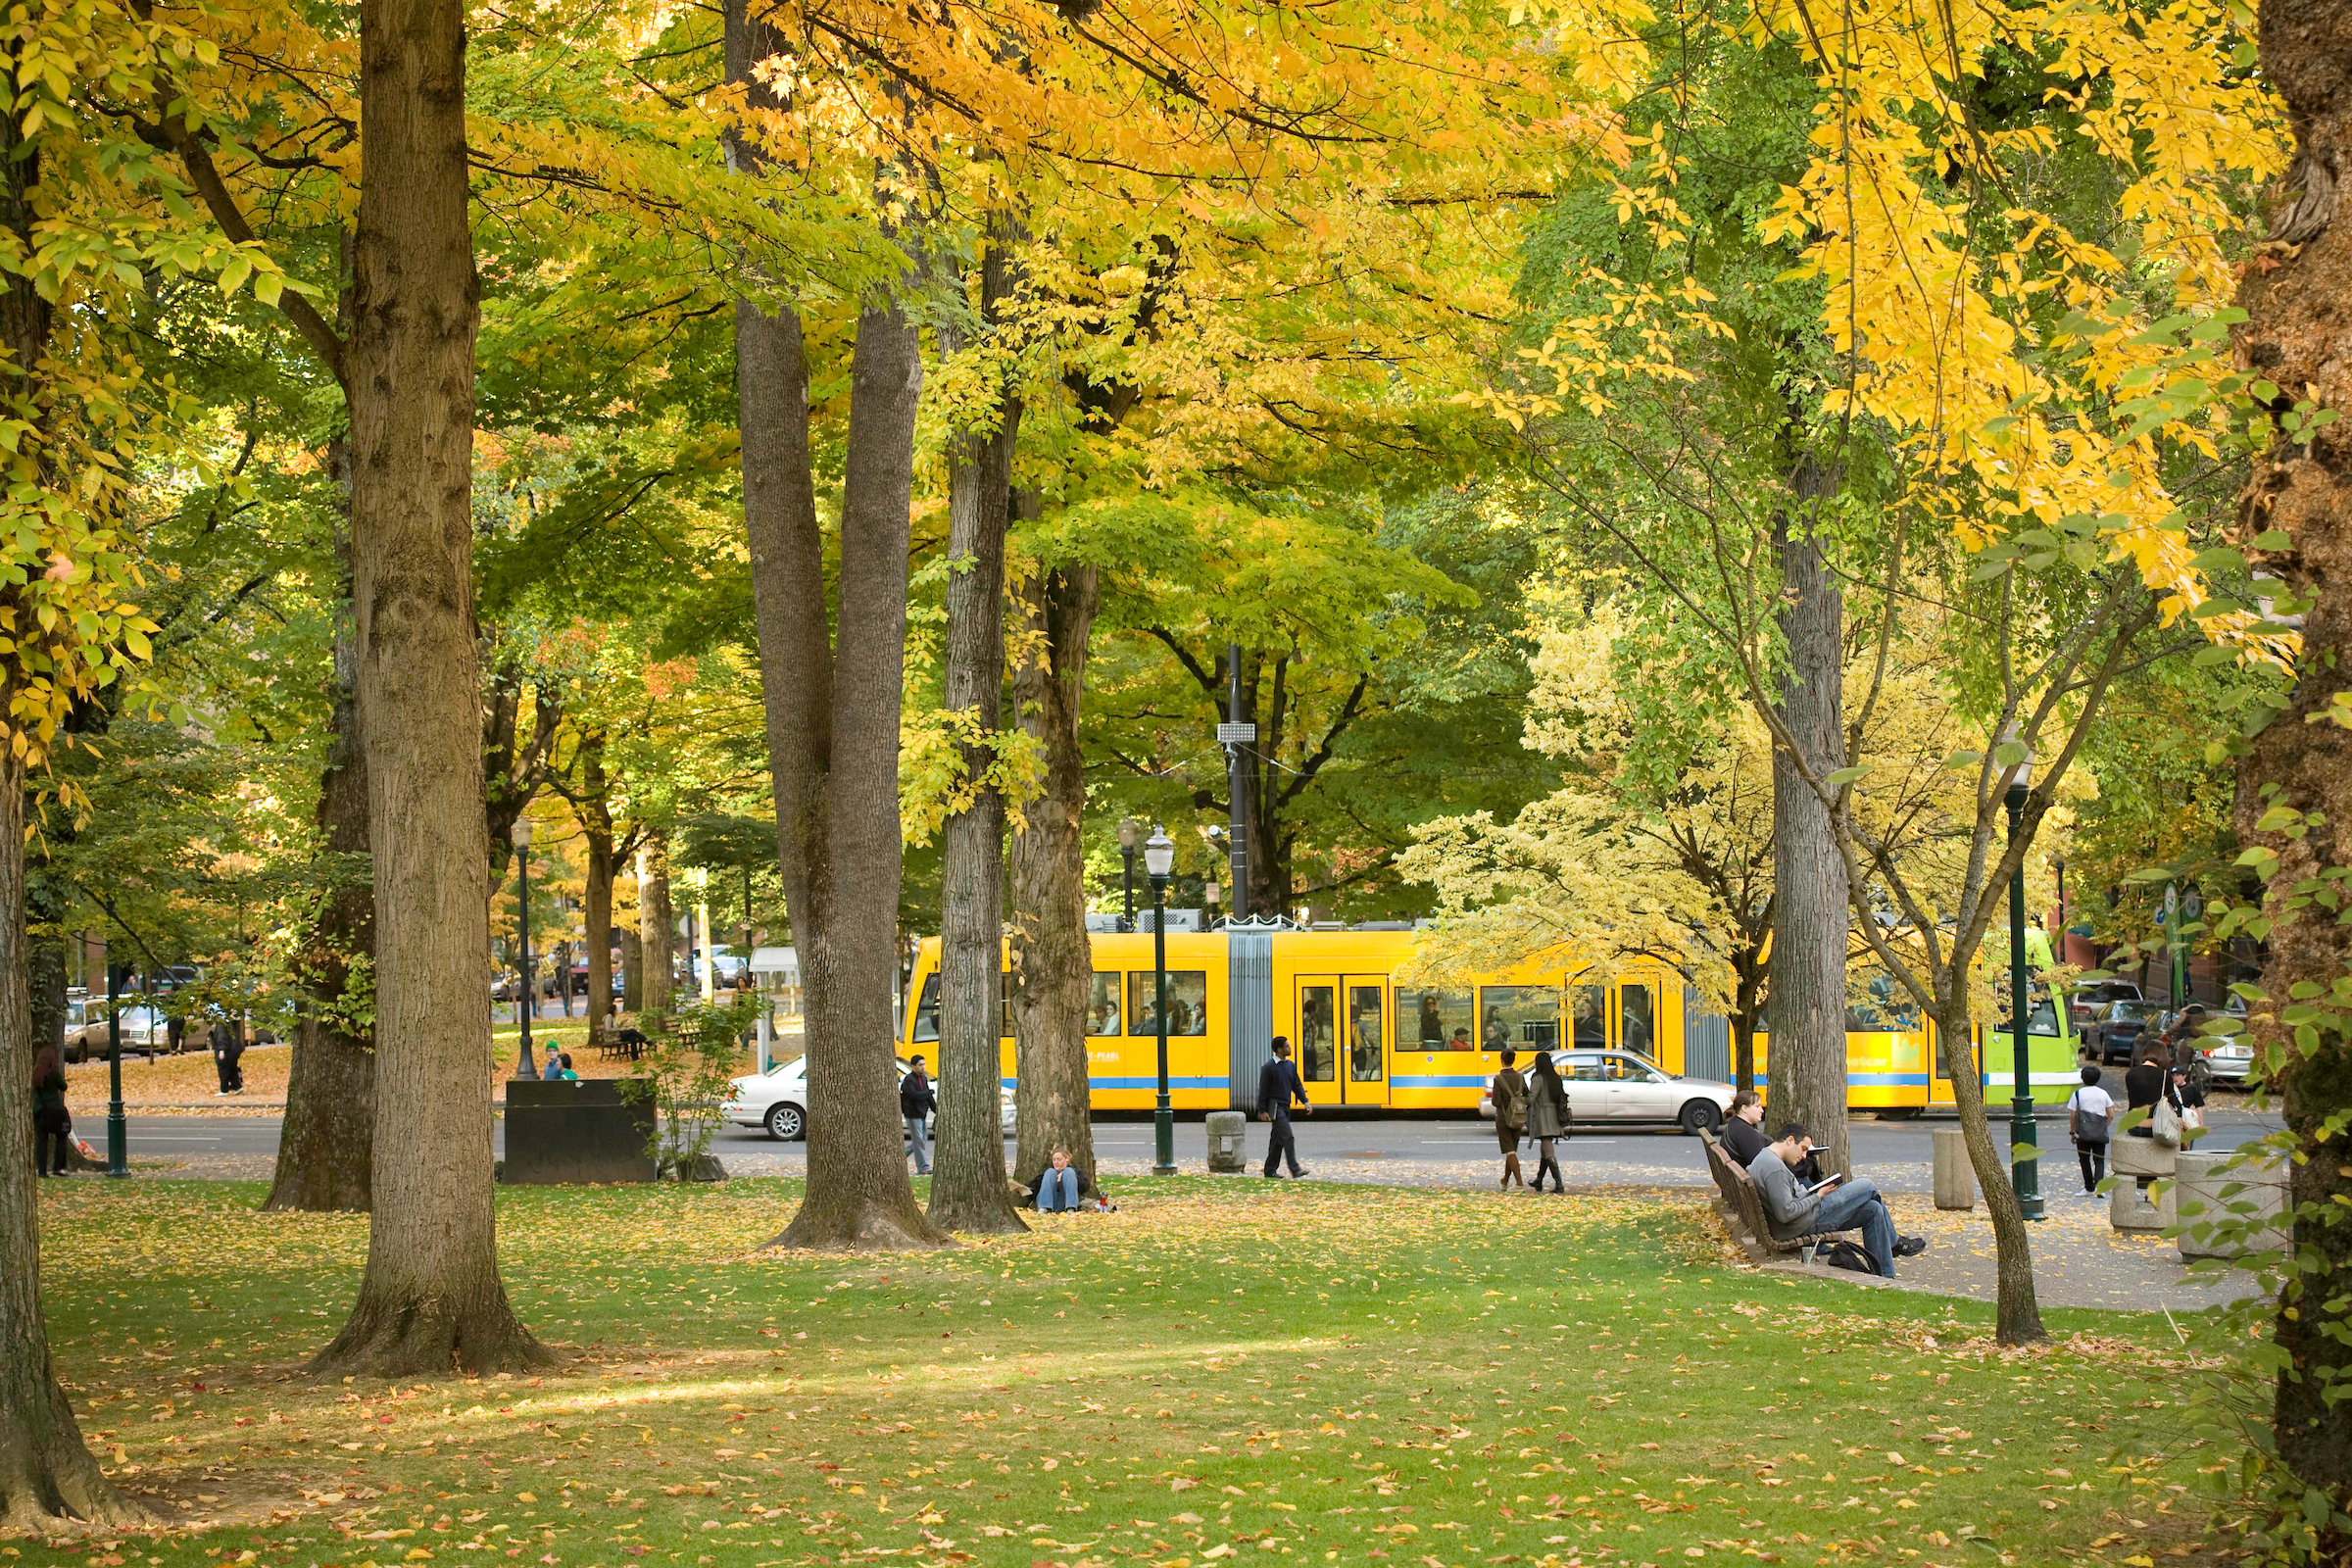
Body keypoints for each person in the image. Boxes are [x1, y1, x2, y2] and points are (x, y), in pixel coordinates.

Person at [1745, 1122, 1902, 1278]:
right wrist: (1817, 1196)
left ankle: (1886, 1275)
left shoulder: (1765, 1158)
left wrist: (1812, 1193)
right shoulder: (1774, 1168)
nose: (1804, 1156)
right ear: (1790, 1141)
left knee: (1873, 1209)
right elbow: (1785, 1213)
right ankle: (1894, 1241)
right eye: (1804, 1149)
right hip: (1803, 1222)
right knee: (1868, 1186)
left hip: (1802, 1218)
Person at [1255, 1036, 1311, 1179]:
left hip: (1286, 1106)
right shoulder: (1268, 1068)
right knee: (1288, 1136)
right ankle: (1295, 1169)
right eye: (1287, 1046)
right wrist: (1262, 1110)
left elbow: (1296, 1085)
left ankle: (1270, 1170)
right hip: (1275, 1106)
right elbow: (1263, 1090)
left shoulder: (1290, 1065)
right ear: (1279, 1049)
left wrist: (1305, 1101)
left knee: (1278, 1140)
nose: (1289, 1048)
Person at [1524, 1051, 1569, 1195]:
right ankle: (1539, 1180)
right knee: (1544, 1149)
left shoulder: (1538, 1078)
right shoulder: (1554, 1077)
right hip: (1553, 1114)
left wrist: (1519, 1098)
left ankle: (1559, 1183)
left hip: (1542, 1114)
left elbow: (1531, 1098)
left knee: (1547, 1148)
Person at [2065, 1064, 2113, 1195]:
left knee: (2084, 1159)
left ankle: (2088, 1187)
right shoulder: (2103, 1094)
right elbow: (2111, 1114)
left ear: (2082, 1078)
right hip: (2099, 1131)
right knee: (2099, 1159)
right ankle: (2099, 1187)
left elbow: (2073, 1115)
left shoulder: (2077, 1094)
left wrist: (2072, 1131)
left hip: (2083, 1132)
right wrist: (2104, 1125)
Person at [1491, 1049, 1529, 1191]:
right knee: (1511, 1150)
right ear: (1514, 1060)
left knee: (1510, 1151)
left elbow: (1495, 1101)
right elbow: (1526, 1093)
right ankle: (1505, 1181)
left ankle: (1519, 1184)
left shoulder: (1498, 1079)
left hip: (1504, 1118)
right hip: (1518, 1116)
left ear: (1501, 1060)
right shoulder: (1520, 1077)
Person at [30, 1042, 70, 1177]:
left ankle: (42, 1170)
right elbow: (63, 1086)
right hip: (55, 1110)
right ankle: (57, 1167)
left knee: (42, 1141)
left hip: (40, 1111)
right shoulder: (53, 1073)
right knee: (61, 1136)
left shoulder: (35, 1073)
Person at [2123, 1043, 2172, 1139]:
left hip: (2133, 1126)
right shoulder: (2165, 1076)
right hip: (2154, 1126)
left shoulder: (2130, 1074)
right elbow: (2173, 1104)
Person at [901, 1055, 936, 1176]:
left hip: (921, 1113)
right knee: (919, 1141)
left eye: (923, 1064)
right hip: (912, 1114)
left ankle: (899, 1157)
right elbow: (914, 1095)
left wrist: (936, 1110)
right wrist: (929, 1092)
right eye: (920, 1065)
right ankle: (923, 1167)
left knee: (921, 1140)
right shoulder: (909, 1080)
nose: (922, 1067)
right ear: (913, 1066)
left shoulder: (924, 1079)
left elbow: (928, 1097)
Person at [1030, 1149, 1095, 1212]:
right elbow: (1033, 1188)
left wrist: (1070, 1178)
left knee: (1068, 1171)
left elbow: (1085, 1187)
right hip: (1050, 1201)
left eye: (1059, 1159)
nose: (1056, 1162)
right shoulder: (1048, 1173)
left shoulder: (1074, 1172)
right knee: (1050, 1172)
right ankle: (1043, 1209)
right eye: (1054, 1160)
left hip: (1064, 1202)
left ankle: (1071, 1209)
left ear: (1067, 1159)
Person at [1719, 1090, 1769, 1164]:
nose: (1761, 1110)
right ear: (1745, 1108)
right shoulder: (1746, 1133)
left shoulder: (1734, 1125)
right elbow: (1761, 1165)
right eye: (1757, 1106)